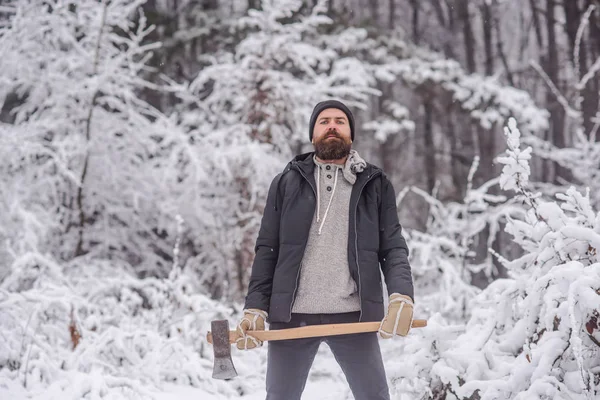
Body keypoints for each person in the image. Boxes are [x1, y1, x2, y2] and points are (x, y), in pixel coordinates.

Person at [237, 100, 415, 400]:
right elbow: (267, 249)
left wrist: (401, 295)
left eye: (339, 121)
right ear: (312, 134)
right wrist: (255, 308)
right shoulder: (285, 183)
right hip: (291, 315)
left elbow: (393, 245)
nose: (332, 125)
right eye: (324, 121)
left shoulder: (375, 184)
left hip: (354, 316)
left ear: (350, 134)